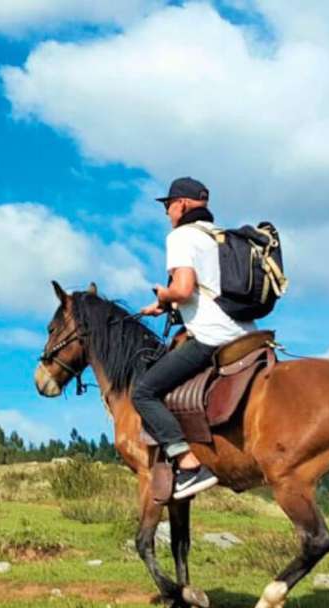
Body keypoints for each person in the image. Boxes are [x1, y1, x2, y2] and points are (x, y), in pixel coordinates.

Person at [134, 177, 257, 500]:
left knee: (145, 392)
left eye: (168, 205)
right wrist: (163, 305)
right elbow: (209, 289)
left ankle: (188, 464)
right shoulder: (221, 237)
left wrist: (165, 292)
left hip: (211, 336)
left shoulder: (181, 236)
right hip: (248, 334)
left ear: (183, 204)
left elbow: (185, 288)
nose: (167, 213)